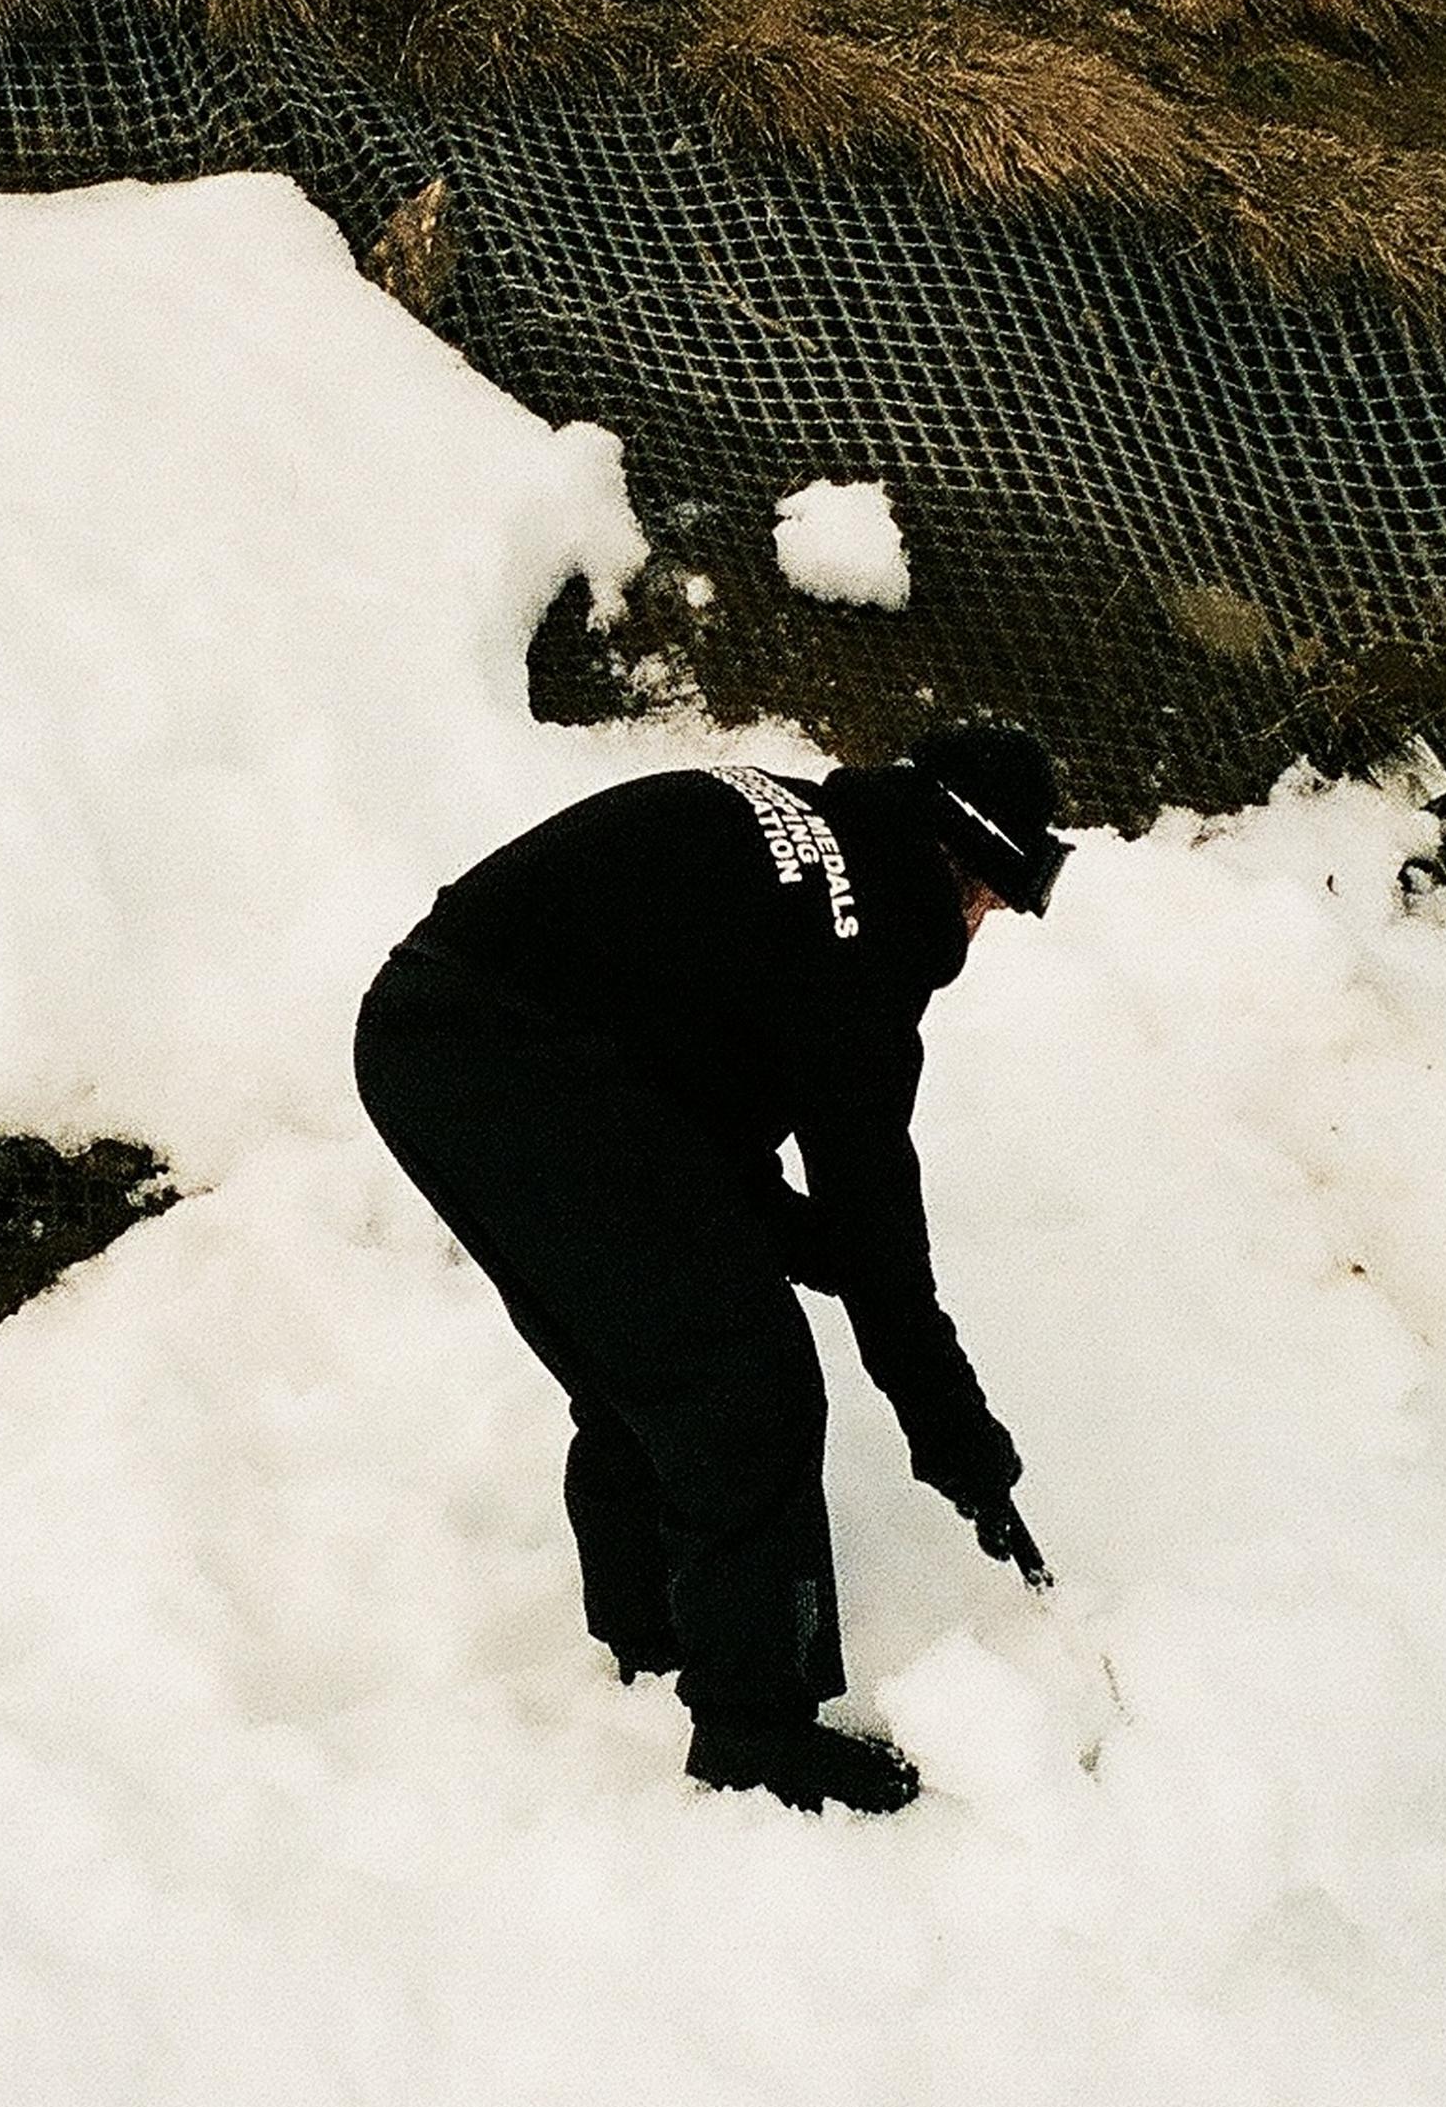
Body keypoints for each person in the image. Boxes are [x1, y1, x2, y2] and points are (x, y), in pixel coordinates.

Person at [354, 718, 1066, 1815]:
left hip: (430, 1030)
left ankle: (651, 1633)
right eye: (994, 902)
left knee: (649, 1352)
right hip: (512, 1055)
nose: (984, 929)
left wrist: (800, 1242)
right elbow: (878, 1241)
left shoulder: (808, 848)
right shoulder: (863, 944)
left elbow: (690, 1116)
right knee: (746, 1386)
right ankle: (755, 1731)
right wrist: (962, 1445)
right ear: (957, 868)